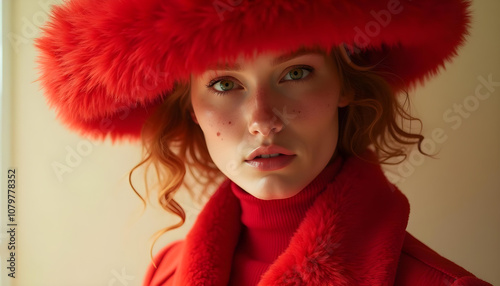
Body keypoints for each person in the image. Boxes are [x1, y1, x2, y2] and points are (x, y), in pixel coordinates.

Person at [36, 0, 492, 285]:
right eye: (224, 83)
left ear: (345, 86)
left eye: (295, 73)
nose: (262, 121)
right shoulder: (166, 273)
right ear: (189, 107)